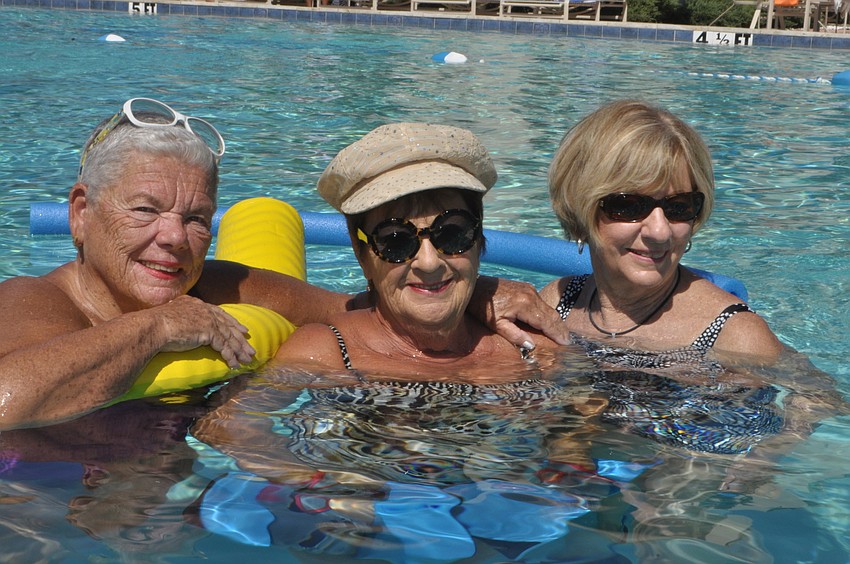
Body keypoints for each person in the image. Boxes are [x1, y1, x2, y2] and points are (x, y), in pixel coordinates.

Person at [0, 100, 564, 431]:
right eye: (146, 210)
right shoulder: (35, 300)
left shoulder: (220, 285)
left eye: (198, 218)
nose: (173, 237)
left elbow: (358, 305)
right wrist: (161, 325)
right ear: (80, 214)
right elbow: (7, 402)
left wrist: (479, 286)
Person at [271, 122, 561, 378]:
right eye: (396, 240)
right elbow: (242, 433)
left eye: (452, 233)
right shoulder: (326, 354)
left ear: (479, 238)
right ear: (362, 255)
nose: (428, 262)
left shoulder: (530, 348)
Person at [540, 99, 783, 370]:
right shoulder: (557, 303)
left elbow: (811, 403)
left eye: (679, 207)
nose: (659, 231)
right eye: (629, 206)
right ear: (579, 205)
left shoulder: (734, 337)